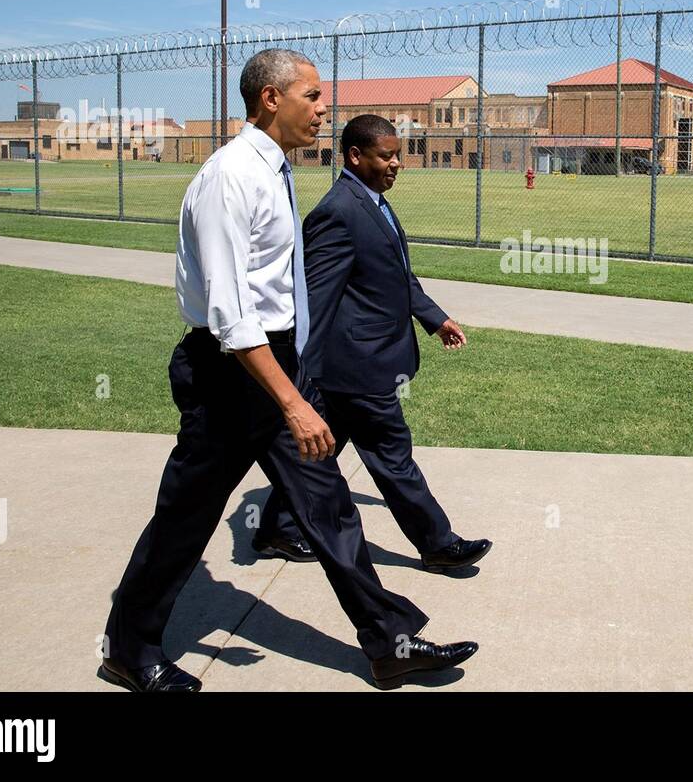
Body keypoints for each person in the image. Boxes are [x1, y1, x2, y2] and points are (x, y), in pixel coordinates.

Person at [100, 50, 476, 692]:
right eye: (313, 95)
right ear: (271, 99)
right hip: (230, 375)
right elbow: (230, 313)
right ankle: (129, 648)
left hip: (275, 365)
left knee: (329, 508)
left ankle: (389, 643)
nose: (324, 108)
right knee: (185, 519)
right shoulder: (230, 178)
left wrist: (300, 379)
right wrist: (295, 402)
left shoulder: (275, 171)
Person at [254, 114, 492, 574]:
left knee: (322, 450)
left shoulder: (372, 201)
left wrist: (434, 317)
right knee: (392, 455)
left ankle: (277, 528)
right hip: (358, 367)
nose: (397, 163)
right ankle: (439, 544)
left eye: (398, 154)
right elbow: (315, 300)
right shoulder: (337, 212)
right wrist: (298, 373)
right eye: (387, 155)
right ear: (355, 156)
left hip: (352, 369)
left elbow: (395, 275)